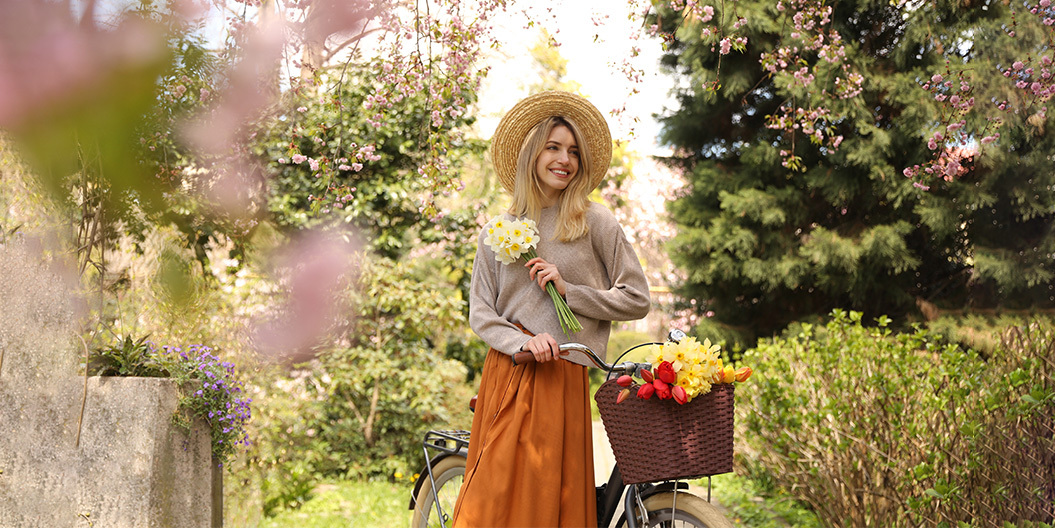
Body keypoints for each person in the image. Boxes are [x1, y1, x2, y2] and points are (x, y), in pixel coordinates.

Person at [451, 91, 651, 527]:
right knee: (493, 503)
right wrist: (523, 339)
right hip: (511, 371)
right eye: (554, 147)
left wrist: (571, 289)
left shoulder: (596, 222)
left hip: (563, 375)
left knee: (550, 505)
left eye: (575, 151)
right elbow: (481, 311)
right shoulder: (498, 230)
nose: (566, 160)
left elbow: (636, 298)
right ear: (532, 153)